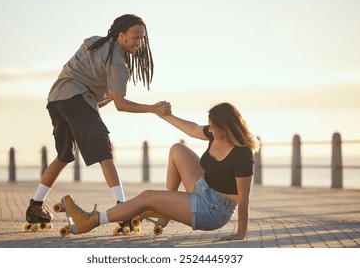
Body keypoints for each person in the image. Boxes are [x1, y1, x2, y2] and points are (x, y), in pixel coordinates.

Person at [24, 14, 171, 227]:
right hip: (75, 99)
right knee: (104, 151)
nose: (139, 43)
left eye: (142, 39)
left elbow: (83, 81)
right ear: (121, 35)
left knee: (64, 156)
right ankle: (123, 209)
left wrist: (104, 97)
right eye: (135, 37)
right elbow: (121, 105)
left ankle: (35, 206)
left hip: (56, 98)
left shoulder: (94, 41)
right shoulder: (118, 63)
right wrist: (153, 109)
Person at [58, 102, 260, 240]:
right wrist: (165, 115)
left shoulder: (242, 155)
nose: (210, 129)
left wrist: (240, 233)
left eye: (214, 127)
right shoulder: (215, 135)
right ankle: (165, 213)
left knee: (146, 197)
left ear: (228, 128)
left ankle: (91, 220)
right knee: (177, 149)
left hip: (214, 210)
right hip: (204, 187)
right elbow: (191, 128)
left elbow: (244, 199)